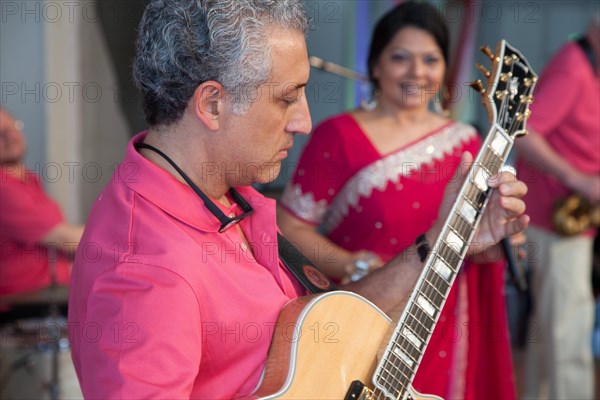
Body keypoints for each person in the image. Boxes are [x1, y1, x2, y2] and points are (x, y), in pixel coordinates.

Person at [68, 1, 529, 398]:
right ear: (212, 105)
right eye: (287, 98)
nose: (304, 122)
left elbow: (315, 339)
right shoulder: (144, 273)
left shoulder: (225, 192)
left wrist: (441, 239)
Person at [278, 2, 518, 399]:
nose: (417, 72)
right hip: (366, 310)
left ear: (444, 70)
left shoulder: (465, 143)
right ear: (375, 65)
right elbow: (290, 228)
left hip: (442, 317)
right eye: (400, 58)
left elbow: (475, 246)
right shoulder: (337, 136)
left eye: (430, 59)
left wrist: (505, 234)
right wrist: (350, 263)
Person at [516, 12, 600, 400]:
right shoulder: (574, 66)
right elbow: (524, 130)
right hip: (556, 219)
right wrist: (577, 178)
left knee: (549, 330)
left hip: (567, 219)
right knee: (568, 333)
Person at [0, 107, 83, 301]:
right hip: (23, 311)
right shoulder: (4, 189)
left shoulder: (28, 180)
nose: (11, 137)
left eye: (13, 128)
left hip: (47, 299)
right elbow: (67, 240)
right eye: (1, 134)